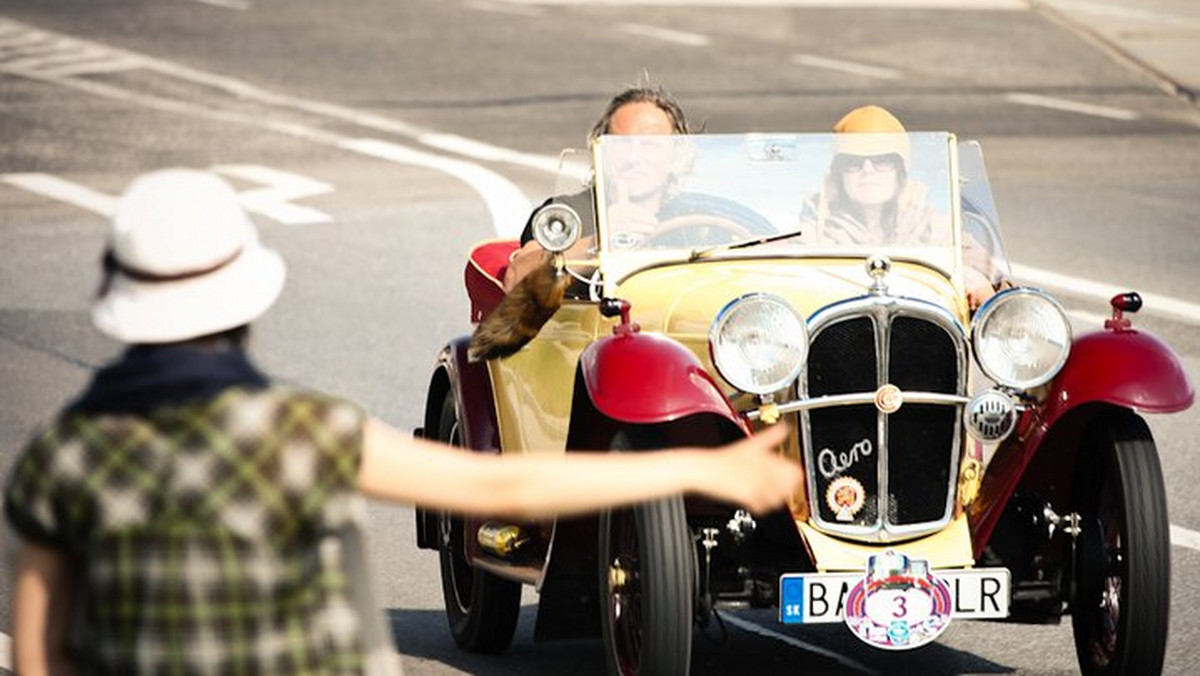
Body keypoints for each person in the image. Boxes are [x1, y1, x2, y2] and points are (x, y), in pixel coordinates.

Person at [4, 169, 801, 675]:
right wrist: (700, 469)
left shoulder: (61, 458)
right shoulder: (300, 431)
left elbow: (39, 652)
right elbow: (506, 481)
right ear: (243, 304)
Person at [802, 105, 1009, 309]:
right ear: (839, 173)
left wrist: (974, 277)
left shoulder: (935, 224)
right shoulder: (816, 225)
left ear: (900, 170)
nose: (868, 171)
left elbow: (1001, 295)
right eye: (853, 162)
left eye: (882, 161)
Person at [503, 85, 689, 291]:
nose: (634, 158)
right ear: (601, 152)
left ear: (676, 155)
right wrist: (599, 239)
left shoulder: (699, 215)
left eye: (650, 145)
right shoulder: (567, 215)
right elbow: (515, 280)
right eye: (621, 144)